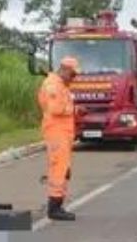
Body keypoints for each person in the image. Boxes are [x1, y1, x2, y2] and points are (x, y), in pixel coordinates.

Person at [38, 56, 80, 221]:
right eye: (72, 74)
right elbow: (56, 109)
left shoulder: (60, 84)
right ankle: (54, 207)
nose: (74, 78)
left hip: (62, 132)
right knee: (59, 169)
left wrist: (75, 109)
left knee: (63, 168)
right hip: (56, 132)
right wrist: (72, 107)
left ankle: (57, 205)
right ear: (64, 70)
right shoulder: (54, 85)